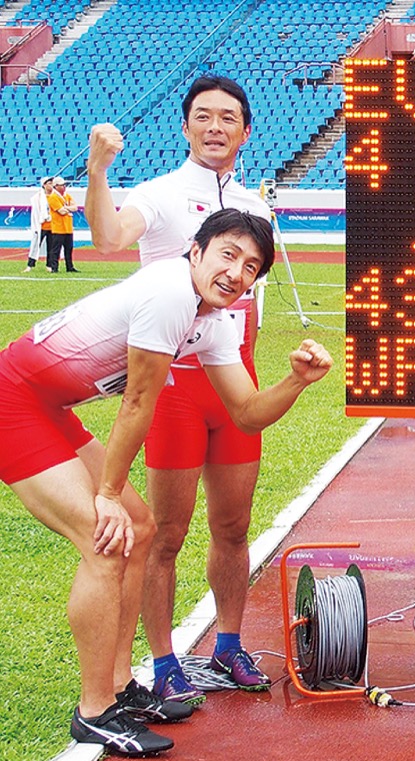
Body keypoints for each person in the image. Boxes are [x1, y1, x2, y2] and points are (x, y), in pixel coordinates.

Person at [0, 209, 332, 756]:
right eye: (228, 254)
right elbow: (138, 401)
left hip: (51, 405)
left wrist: (295, 380)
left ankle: (119, 685)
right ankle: (94, 712)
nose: (237, 272)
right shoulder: (170, 292)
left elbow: (246, 413)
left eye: (251, 267)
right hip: (15, 401)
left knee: (142, 528)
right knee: (106, 541)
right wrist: (106, 495)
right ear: (195, 251)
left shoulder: (214, 321)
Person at [85, 76, 275, 705]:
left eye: (228, 118)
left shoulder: (258, 208)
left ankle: (228, 645)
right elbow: (110, 236)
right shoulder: (160, 195)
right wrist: (98, 168)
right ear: (186, 127)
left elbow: (249, 303)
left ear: (246, 130)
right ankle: (163, 661)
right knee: (166, 533)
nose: (215, 127)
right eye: (203, 117)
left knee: (234, 525)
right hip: (173, 389)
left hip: (232, 380)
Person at [46, 176, 79, 273]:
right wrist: (68, 208)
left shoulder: (67, 196)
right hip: (58, 228)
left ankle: (70, 267)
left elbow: (75, 207)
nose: (64, 187)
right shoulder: (53, 197)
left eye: (64, 185)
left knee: (69, 249)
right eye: (62, 185)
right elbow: (61, 211)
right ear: (56, 186)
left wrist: (66, 207)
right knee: (56, 249)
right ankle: (54, 267)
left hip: (68, 227)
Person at [25, 176, 52, 272]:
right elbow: (37, 212)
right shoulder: (37, 198)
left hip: (52, 225)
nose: (51, 185)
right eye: (49, 183)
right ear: (44, 185)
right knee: (36, 245)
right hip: (41, 225)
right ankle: (30, 265)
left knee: (51, 247)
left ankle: (50, 265)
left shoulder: (55, 196)